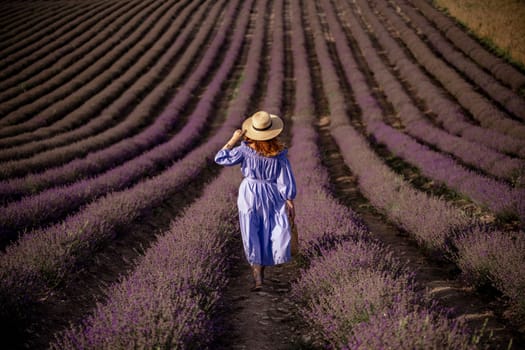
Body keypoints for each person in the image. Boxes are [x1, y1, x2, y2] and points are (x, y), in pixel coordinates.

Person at [214, 110, 297, 291]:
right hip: (271, 193)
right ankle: (263, 273)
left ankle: (258, 279)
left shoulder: (244, 150)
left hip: (249, 193)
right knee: (269, 230)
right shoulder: (279, 152)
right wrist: (289, 199)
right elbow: (285, 178)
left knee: (251, 230)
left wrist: (234, 138)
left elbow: (220, 158)